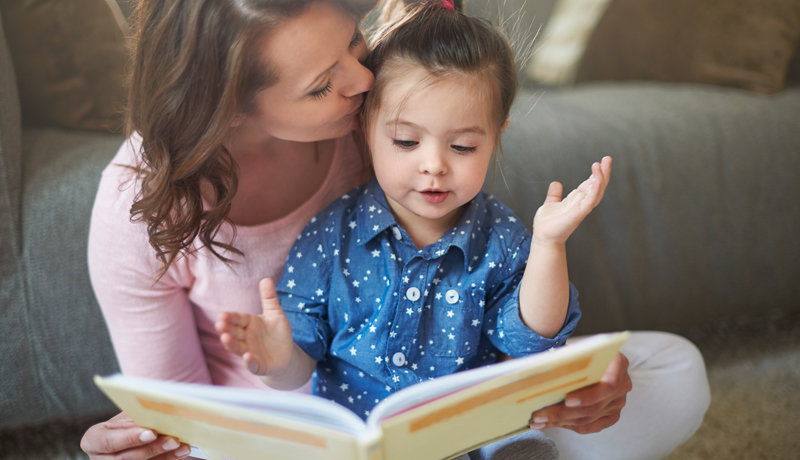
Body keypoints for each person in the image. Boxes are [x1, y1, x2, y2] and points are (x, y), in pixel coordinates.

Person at [81, 1, 709, 459]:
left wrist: (584, 382)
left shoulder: (379, 116)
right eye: (323, 85)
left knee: (671, 368)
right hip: (298, 428)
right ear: (229, 104)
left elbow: (517, 327)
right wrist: (144, 439)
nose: (362, 83)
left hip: (460, 407)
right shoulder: (141, 205)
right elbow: (180, 414)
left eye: (354, 46)